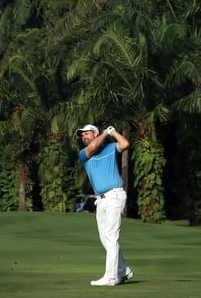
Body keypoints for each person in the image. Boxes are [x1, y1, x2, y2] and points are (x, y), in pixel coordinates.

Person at [76, 123, 134, 286]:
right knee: (105, 238)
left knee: (110, 236)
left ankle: (110, 277)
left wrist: (114, 132)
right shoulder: (84, 154)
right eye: (82, 135)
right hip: (100, 200)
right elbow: (93, 146)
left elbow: (125, 144)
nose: (83, 137)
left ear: (94, 133)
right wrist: (104, 133)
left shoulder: (109, 149)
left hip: (115, 195)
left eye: (86, 134)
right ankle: (123, 270)